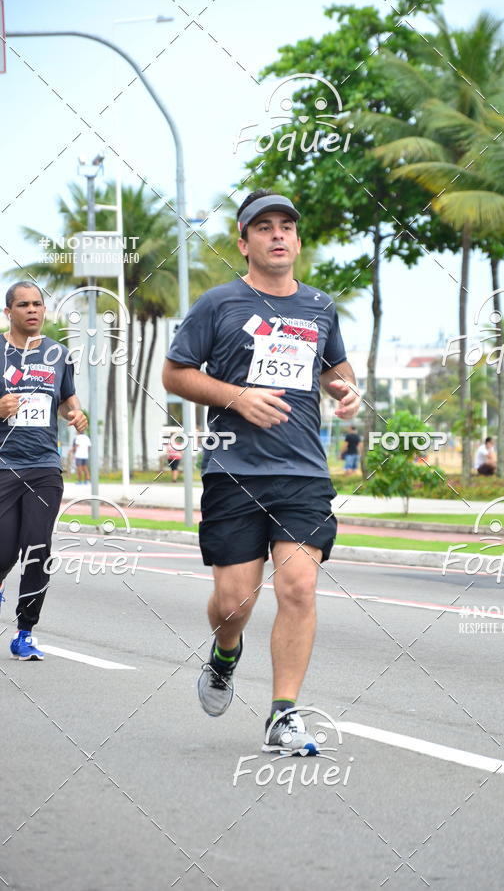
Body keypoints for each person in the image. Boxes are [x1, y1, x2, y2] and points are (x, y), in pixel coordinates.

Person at [163, 189, 361, 755]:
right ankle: (226, 653)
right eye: (264, 227)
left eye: (287, 227)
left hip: (302, 472)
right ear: (244, 241)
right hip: (234, 470)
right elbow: (175, 374)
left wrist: (346, 392)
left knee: (298, 585)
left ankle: (283, 713)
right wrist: (238, 397)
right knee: (234, 604)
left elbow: (336, 369)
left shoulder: (320, 307)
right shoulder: (219, 304)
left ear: (297, 240)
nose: (278, 235)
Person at [0, 281, 87, 660]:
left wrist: (76, 414)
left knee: (37, 547)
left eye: (37, 304)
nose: (32, 310)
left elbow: (67, 398)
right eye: (23, 305)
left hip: (43, 467)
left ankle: (25, 633)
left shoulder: (58, 354)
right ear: (9, 313)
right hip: (3, 466)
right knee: (4, 550)